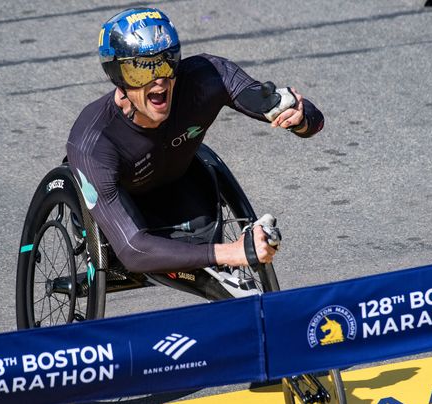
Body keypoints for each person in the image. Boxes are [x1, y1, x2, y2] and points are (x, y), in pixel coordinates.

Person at [66, 7, 324, 274]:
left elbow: (305, 118)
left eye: (166, 62)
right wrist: (231, 252)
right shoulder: (93, 142)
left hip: (181, 193)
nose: (159, 79)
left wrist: (299, 117)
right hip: (121, 220)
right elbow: (133, 251)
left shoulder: (207, 77)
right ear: (118, 78)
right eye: (141, 70)